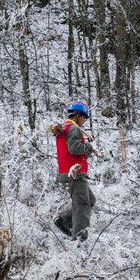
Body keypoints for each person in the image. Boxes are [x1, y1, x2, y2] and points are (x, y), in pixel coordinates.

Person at [52, 103, 99, 241]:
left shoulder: (65, 128)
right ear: (77, 116)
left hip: (70, 171)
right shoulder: (73, 129)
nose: (84, 121)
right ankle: (80, 241)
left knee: (90, 200)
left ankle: (63, 219)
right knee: (82, 205)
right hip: (75, 173)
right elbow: (74, 148)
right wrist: (89, 146)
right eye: (84, 118)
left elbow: (70, 150)